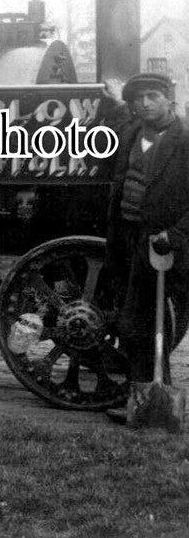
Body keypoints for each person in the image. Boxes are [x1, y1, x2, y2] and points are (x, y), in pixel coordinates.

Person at [106, 71, 189, 411]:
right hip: (130, 238)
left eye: (153, 96)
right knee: (138, 323)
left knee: (150, 324)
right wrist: (114, 99)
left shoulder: (185, 139)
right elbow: (123, 115)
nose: (144, 104)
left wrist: (176, 234)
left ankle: (154, 400)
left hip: (166, 243)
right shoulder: (132, 132)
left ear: (170, 98)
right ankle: (148, 399)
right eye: (138, 99)